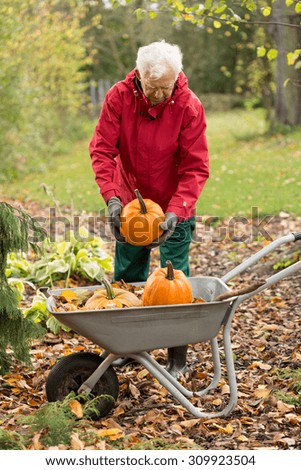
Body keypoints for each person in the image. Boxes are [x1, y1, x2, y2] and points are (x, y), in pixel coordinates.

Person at [89, 40, 209, 377]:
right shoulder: (119, 97)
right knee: (128, 276)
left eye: (166, 87)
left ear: (177, 78)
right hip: (131, 202)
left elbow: (195, 166)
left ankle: (177, 356)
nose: (159, 95)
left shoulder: (188, 106)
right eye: (153, 88)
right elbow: (102, 150)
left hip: (175, 204)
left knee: (175, 277)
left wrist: (176, 211)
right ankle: (128, 347)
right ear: (139, 78)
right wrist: (113, 198)